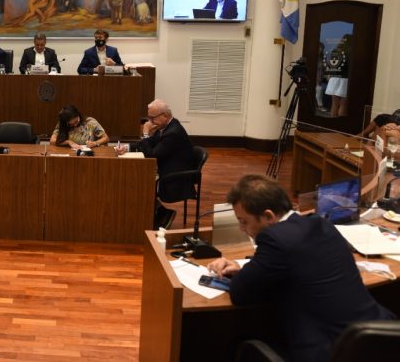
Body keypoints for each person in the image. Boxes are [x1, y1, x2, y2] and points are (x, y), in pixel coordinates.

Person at [207, 174, 395, 361]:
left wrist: (244, 272)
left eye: (243, 221)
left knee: (236, 345)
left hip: (329, 353)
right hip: (381, 344)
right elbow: (300, 262)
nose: (242, 229)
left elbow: (240, 293)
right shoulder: (322, 224)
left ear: (268, 216)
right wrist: (246, 268)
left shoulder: (276, 239)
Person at [137, 99, 196, 229]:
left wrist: (145, 133)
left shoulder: (173, 132)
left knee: (140, 184)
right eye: (149, 118)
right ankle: (162, 213)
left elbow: (151, 155)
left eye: (152, 118)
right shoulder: (165, 126)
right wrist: (126, 147)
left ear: (165, 115)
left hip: (177, 176)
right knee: (138, 181)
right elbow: (151, 144)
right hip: (167, 168)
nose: (150, 122)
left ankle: (163, 214)